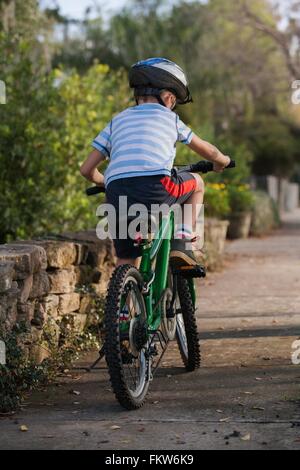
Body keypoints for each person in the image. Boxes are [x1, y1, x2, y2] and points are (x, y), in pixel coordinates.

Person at [80, 58, 231, 268]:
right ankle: (182, 241)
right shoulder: (171, 119)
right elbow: (208, 150)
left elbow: (86, 169)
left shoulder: (117, 120)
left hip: (116, 193)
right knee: (197, 183)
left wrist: (103, 181)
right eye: (175, 101)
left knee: (125, 258)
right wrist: (222, 160)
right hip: (157, 186)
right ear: (169, 97)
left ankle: (126, 294)